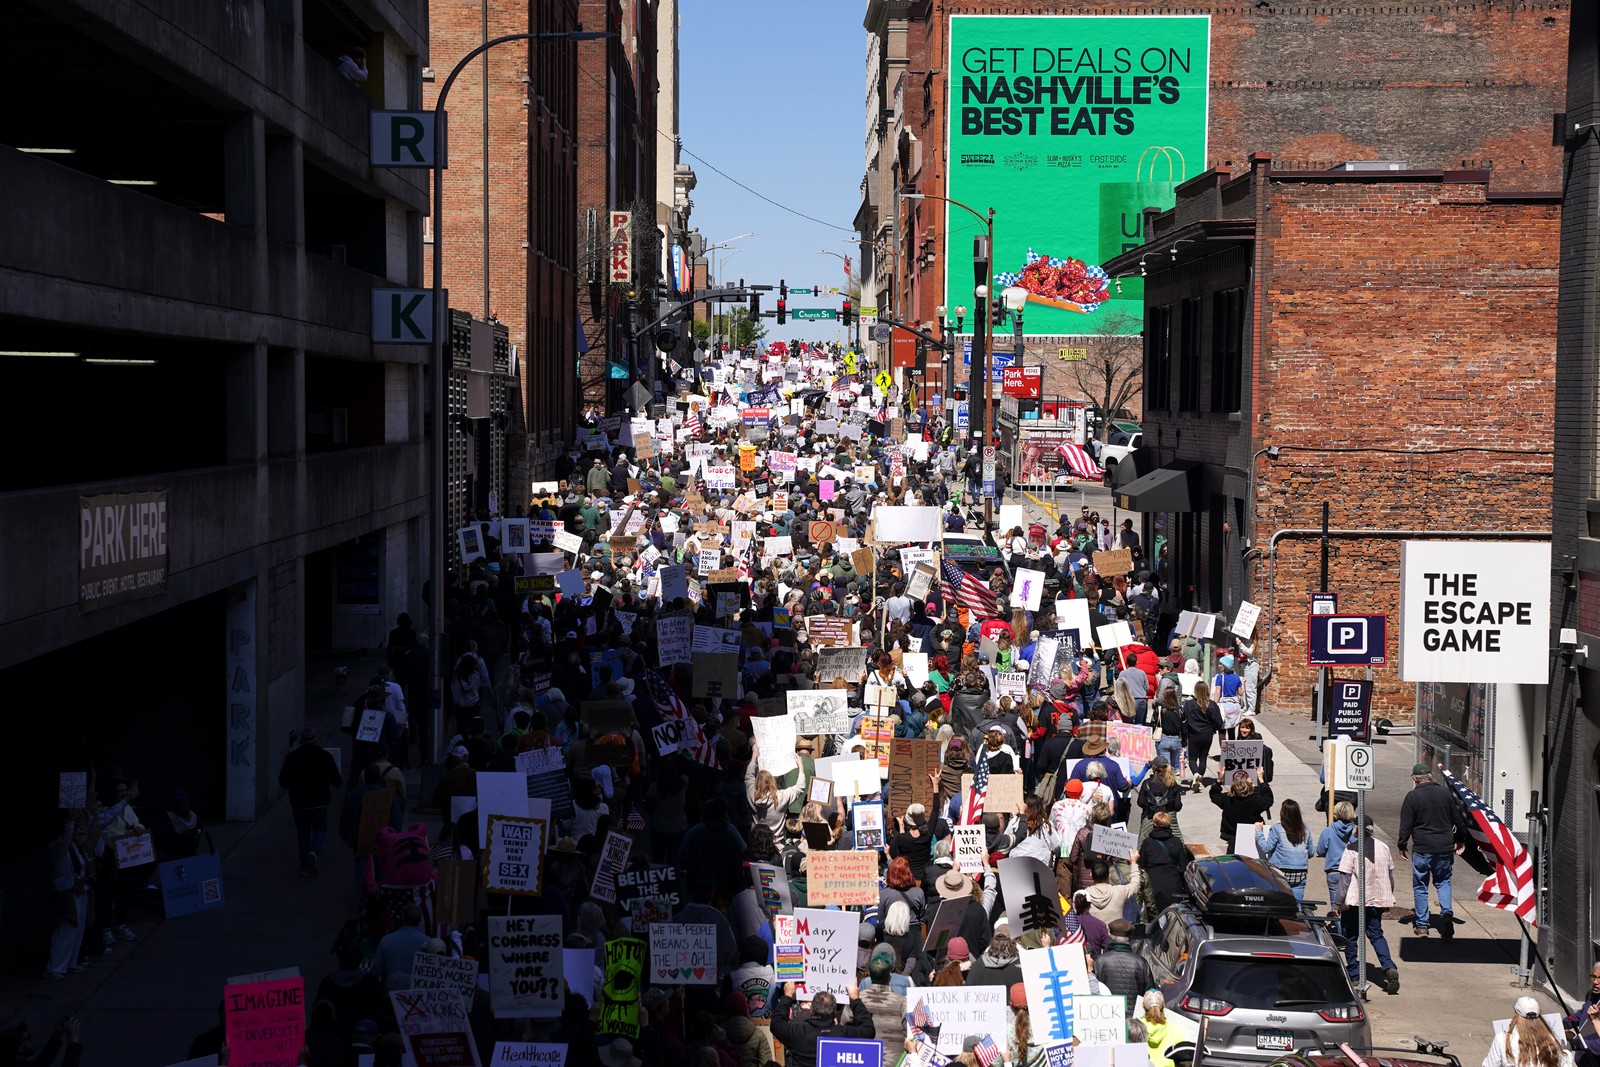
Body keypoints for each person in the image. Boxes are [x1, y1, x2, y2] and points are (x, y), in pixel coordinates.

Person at [1398, 762, 1468, 938]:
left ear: (1415, 779)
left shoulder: (1412, 797)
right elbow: (1458, 819)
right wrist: (1460, 839)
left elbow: (1406, 825)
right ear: (1430, 777)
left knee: (1421, 886)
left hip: (1422, 848)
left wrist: (1402, 845)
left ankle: (1422, 925)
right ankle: (1446, 914)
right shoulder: (1445, 794)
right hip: (1444, 847)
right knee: (1443, 881)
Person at [1332, 818, 1399, 996]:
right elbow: (1390, 876)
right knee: (1376, 935)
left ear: (1356, 830)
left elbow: (1344, 879)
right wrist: (1388, 896)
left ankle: (1354, 974)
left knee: (1351, 937)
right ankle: (1388, 966)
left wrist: (1337, 903)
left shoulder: (1351, 849)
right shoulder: (1383, 847)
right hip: (1376, 900)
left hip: (1355, 901)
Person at [277, 728, 342, 877]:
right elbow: (336, 781)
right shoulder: (324, 756)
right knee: (321, 828)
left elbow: (283, 782)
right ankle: (314, 851)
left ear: (301, 740)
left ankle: (305, 864)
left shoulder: (292, 757)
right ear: (316, 739)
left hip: (299, 801)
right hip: (319, 800)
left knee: (303, 832)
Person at [767, 983, 876, 1067]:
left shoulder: (798, 1032)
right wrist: (855, 1000)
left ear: (811, 1010)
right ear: (834, 1013)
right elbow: (869, 1030)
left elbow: (776, 1024)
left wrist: (787, 996)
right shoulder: (844, 1035)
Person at [1485, 997, 1576, 1067]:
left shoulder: (1502, 1039)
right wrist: (1567, 1052)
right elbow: (1563, 1063)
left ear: (1516, 1013)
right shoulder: (1550, 1039)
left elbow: (1489, 1064)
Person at [1255, 799, 1311, 901]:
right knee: (1297, 902)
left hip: (1280, 870)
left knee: (1278, 900)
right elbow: (1311, 852)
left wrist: (1259, 832)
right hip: (1300, 871)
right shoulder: (1305, 829)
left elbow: (1266, 847)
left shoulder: (1277, 828)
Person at [1138, 811, 1194, 913]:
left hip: (1153, 885)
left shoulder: (1148, 842)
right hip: (1173, 886)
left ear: (1154, 824)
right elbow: (1183, 867)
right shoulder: (1176, 841)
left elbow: (1141, 865)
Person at [1096, 920, 1153, 1013]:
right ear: (1130, 938)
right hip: (1134, 1019)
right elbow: (1149, 994)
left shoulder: (1100, 961)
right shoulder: (1141, 962)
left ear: (1110, 936)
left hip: (1106, 1016)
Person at [369, 906, 430, 990]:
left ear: (402, 918)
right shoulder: (428, 942)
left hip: (390, 995)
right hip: (417, 996)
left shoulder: (386, 940)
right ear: (419, 920)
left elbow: (376, 971)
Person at [1209, 774, 1273, 854]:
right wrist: (1261, 780)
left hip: (1233, 838)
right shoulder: (1256, 801)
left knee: (1233, 863)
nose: (1254, 786)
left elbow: (1214, 794)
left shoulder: (1226, 799)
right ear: (1246, 787)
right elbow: (1268, 799)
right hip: (1252, 837)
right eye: (1251, 783)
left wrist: (1219, 779)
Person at [1181, 680, 1223, 791]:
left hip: (1193, 734)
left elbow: (1183, 719)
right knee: (1203, 757)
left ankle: (1195, 774)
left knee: (1193, 758)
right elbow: (1219, 723)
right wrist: (1213, 728)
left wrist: (1184, 733)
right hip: (1207, 734)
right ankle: (1200, 778)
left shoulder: (1189, 704)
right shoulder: (1212, 705)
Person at [1563, 963, 1600, 1067]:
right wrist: (1566, 1023)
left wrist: (1578, 1044)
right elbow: (1582, 1013)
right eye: (1594, 977)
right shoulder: (1592, 994)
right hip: (1583, 1059)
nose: (1595, 982)